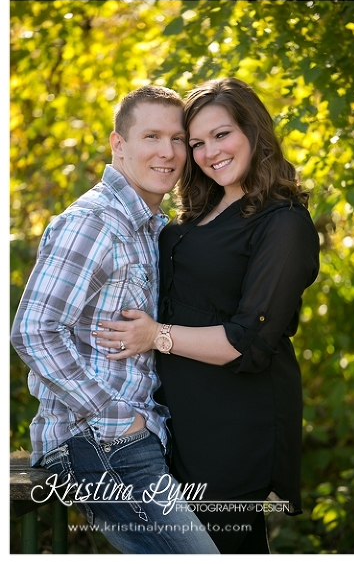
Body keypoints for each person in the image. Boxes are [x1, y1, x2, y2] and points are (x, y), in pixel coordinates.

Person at [93, 78, 321, 554]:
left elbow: (247, 342)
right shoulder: (201, 209)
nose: (207, 152)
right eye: (195, 142)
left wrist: (156, 336)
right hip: (176, 419)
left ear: (253, 131)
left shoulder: (283, 223)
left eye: (222, 135)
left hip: (235, 420)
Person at [10, 87, 219, 554]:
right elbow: (33, 329)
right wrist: (113, 416)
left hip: (131, 439)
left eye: (178, 139)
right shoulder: (96, 221)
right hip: (96, 440)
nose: (167, 152)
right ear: (118, 145)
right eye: (151, 136)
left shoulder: (147, 225)